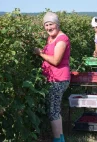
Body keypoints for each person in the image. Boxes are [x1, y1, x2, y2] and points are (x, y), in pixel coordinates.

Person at [33, 12, 71, 142]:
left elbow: (56, 61)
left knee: (53, 111)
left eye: (51, 24)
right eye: (46, 25)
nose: (49, 27)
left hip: (58, 79)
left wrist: (40, 53)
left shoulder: (62, 39)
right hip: (52, 78)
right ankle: (60, 138)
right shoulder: (51, 38)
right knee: (55, 109)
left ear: (57, 24)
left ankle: (58, 140)